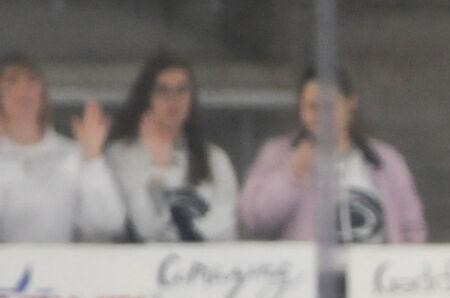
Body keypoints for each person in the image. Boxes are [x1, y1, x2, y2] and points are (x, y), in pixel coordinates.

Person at [239, 67, 427, 244]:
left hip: (373, 273)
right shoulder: (277, 154)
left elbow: (413, 229)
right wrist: (292, 174)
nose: (321, 116)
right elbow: (254, 222)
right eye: (312, 107)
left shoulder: (385, 160)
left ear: (350, 105)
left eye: (328, 106)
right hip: (311, 276)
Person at [105, 52, 237, 242]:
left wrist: (182, 233)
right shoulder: (122, 154)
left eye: (182, 90)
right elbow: (145, 226)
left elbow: (226, 223)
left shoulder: (215, 158)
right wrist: (158, 168)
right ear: (147, 97)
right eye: (163, 90)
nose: (173, 99)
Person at [0, 54, 126, 243]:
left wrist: (93, 158)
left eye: (31, 82)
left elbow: (109, 222)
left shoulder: (71, 155)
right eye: (11, 83)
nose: (22, 91)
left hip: (59, 268)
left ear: (43, 94)